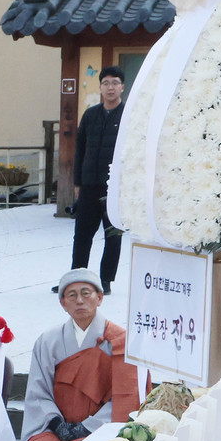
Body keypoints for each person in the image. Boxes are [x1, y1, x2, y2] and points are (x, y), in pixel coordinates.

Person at [17, 268, 140, 441]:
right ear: (63, 303)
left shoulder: (121, 341)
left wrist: (87, 427)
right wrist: (56, 424)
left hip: (100, 429)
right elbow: (38, 392)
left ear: (100, 298)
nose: (80, 301)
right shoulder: (48, 341)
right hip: (57, 429)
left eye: (86, 293)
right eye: (71, 295)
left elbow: (125, 397)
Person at [64, 66, 126, 296]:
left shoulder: (129, 115)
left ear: (122, 87)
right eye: (106, 83)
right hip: (89, 184)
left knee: (112, 235)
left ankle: (106, 280)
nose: (110, 87)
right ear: (100, 87)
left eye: (115, 83)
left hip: (114, 187)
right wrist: (77, 183)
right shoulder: (90, 115)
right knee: (82, 235)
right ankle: (75, 279)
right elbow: (79, 150)